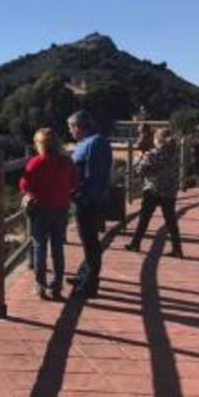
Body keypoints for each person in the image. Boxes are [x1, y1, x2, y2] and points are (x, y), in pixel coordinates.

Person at [19, 128, 78, 300]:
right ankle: (57, 286)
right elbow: (75, 182)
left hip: (41, 209)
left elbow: (24, 185)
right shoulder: (66, 161)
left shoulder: (36, 162)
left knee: (40, 247)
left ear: (40, 144)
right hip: (61, 208)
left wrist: (34, 193)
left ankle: (40, 285)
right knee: (58, 247)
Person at [66, 110, 112, 299]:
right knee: (88, 241)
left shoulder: (95, 143)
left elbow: (94, 175)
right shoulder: (89, 142)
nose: (69, 131)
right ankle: (84, 275)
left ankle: (89, 285)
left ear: (79, 127)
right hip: (85, 198)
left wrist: (82, 196)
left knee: (90, 242)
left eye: (71, 127)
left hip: (88, 200)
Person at [125, 128, 183, 257]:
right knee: (171, 221)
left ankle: (135, 243)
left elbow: (139, 171)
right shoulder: (175, 153)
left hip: (153, 189)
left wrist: (138, 159)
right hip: (170, 190)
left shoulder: (153, 154)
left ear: (157, 139)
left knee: (144, 218)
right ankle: (177, 249)